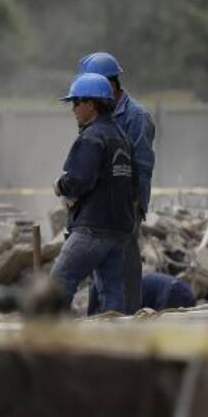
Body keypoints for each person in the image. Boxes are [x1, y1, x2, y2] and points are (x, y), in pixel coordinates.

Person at [49, 72, 139, 314]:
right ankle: (115, 343)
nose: (73, 109)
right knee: (112, 294)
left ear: (91, 104)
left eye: (76, 102)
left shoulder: (92, 137)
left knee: (57, 284)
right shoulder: (121, 137)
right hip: (118, 228)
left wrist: (61, 186)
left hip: (92, 228)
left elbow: (78, 180)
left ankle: (49, 341)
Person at [78, 52, 155, 314]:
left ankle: (127, 326)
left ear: (109, 85)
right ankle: (98, 325)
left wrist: (133, 209)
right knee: (100, 276)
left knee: (124, 274)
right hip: (100, 209)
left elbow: (141, 168)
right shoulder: (98, 114)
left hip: (123, 209)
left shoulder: (136, 117)